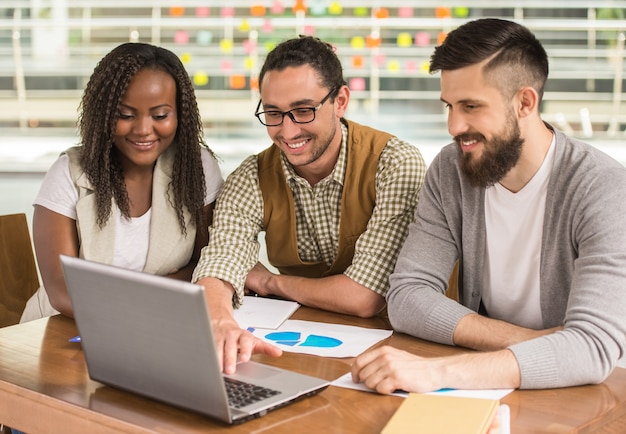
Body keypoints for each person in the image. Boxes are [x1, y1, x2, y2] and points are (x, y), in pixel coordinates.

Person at [352, 18, 626, 393]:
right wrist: (538, 342)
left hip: (590, 395)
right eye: (449, 105)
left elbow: (593, 348)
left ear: (525, 102)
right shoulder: (451, 170)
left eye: (470, 106)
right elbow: (408, 297)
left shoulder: (604, 187)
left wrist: (438, 373)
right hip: (500, 384)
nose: (453, 125)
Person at [192, 35, 426, 373]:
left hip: (398, 350)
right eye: (273, 113)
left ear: (340, 100)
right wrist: (219, 321)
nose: (287, 131)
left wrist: (270, 282)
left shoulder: (394, 163)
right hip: (300, 345)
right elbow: (221, 262)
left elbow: (365, 298)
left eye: (303, 111)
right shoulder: (252, 175)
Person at [20, 42, 223, 321]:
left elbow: (208, 264)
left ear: (180, 114)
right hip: (61, 327)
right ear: (103, 115)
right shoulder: (68, 172)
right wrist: (143, 307)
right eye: (124, 115)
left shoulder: (196, 167)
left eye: (160, 115)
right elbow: (62, 291)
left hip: (158, 322)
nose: (142, 130)